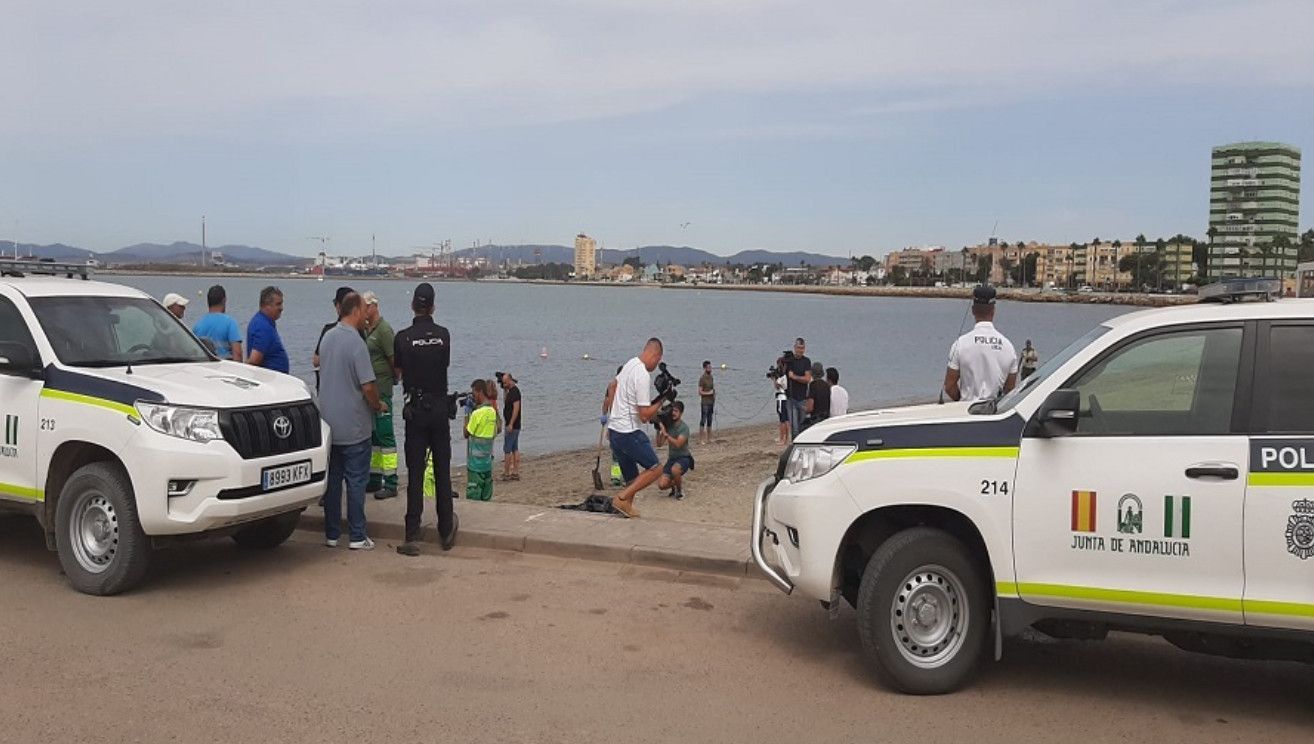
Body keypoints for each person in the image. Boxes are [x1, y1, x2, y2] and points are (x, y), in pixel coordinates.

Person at [319, 292, 388, 551]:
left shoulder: (327, 338)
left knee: (333, 482)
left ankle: (332, 533)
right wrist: (377, 404)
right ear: (356, 312)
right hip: (354, 425)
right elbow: (368, 385)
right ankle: (358, 535)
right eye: (362, 310)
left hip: (329, 423)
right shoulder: (356, 343)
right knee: (357, 481)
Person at [393, 283, 457, 556]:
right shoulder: (443, 336)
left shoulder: (403, 338)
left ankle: (412, 530)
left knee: (416, 471)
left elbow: (398, 373)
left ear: (413, 307)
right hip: (439, 407)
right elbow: (444, 365)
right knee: (442, 470)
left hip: (416, 409)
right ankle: (445, 528)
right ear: (432, 306)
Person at [606, 338, 667, 519]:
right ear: (656, 355)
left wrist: (613, 412)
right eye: (657, 362)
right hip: (628, 432)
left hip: (615, 430)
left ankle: (627, 508)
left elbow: (612, 385)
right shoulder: (641, 374)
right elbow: (645, 415)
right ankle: (621, 498)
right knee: (656, 469)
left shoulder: (630, 363)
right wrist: (662, 400)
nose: (656, 366)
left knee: (632, 478)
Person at [943, 285, 1019, 402]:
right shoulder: (1008, 347)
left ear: (973, 310)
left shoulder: (960, 344)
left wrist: (961, 402)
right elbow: (1010, 390)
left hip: (966, 412)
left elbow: (949, 386)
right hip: (994, 413)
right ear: (993, 311)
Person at [359, 291, 399, 500]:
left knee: (385, 436)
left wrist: (393, 379)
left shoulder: (384, 331)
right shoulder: (366, 330)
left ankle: (391, 481)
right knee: (373, 437)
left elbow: (394, 360)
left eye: (366, 307)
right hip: (371, 390)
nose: (363, 311)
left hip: (382, 389)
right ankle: (374, 479)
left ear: (374, 306)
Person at [464, 379, 501, 501]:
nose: (473, 396)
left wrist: (467, 413)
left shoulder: (476, 414)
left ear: (479, 392)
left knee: (473, 498)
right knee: (486, 498)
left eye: (474, 393)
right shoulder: (492, 412)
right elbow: (498, 429)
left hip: (475, 465)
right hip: (487, 463)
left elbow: (466, 433)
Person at [313, 286, 355, 389]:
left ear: (338, 306)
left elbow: (316, 361)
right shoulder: (359, 331)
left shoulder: (328, 330)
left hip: (328, 387)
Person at [246, 286, 290, 373]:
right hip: (270, 380)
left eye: (281, 304)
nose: (282, 308)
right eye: (278, 304)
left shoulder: (264, 322)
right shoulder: (263, 326)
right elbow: (254, 360)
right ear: (266, 305)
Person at [192, 285, 242, 361]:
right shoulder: (230, 323)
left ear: (208, 301)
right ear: (224, 300)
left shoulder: (198, 325)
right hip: (225, 367)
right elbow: (237, 353)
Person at [656, 401, 693, 500]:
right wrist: (658, 427)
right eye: (672, 411)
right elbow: (659, 444)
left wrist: (666, 434)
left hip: (684, 458)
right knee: (661, 485)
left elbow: (678, 444)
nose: (673, 413)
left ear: (681, 413)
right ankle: (674, 485)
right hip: (671, 459)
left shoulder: (684, 428)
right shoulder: (668, 426)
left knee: (675, 470)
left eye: (676, 411)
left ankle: (679, 491)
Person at [784, 338, 812, 437]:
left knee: (803, 426)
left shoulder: (806, 361)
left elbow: (807, 378)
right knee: (794, 427)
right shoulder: (789, 361)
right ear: (795, 348)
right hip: (791, 398)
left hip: (802, 398)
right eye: (798, 348)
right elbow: (781, 376)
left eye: (802, 348)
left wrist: (794, 377)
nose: (800, 350)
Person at [500, 373, 522, 482]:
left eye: (505, 382)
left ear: (510, 380)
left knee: (508, 449)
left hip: (512, 425)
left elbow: (516, 409)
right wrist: (504, 390)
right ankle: (515, 472)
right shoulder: (510, 392)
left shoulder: (515, 392)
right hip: (512, 424)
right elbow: (506, 403)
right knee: (514, 448)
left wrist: (511, 424)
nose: (504, 384)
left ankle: (507, 472)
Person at [804, 361, 831, 430]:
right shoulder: (827, 385)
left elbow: (810, 407)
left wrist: (803, 409)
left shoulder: (813, 385)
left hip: (816, 418)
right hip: (826, 417)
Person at [697, 360, 715, 445]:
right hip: (704, 402)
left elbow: (712, 389)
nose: (710, 368)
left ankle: (709, 438)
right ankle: (701, 439)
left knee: (710, 420)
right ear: (704, 368)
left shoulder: (711, 377)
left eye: (710, 367)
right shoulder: (702, 378)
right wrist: (709, 393)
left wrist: (713, 393)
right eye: (708, 367)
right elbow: (700, 392)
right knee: (703, 420)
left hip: (711, 401)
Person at [773, 367, 789, 445]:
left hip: (782, 399)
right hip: (784, 398)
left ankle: (783, 439)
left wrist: (774, 379)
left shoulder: (783, 378)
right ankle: (783, 437)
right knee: (784, 419)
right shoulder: (786, 377)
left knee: (783, 420)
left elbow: (777, 386)